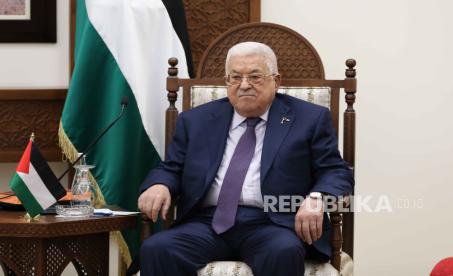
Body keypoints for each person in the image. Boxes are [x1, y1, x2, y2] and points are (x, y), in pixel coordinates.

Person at [138, 41, 354, 276]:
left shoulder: (309, 119)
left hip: (272, 224)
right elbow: (171, 168)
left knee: (282, 251)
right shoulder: (196, 121)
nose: (244, 85)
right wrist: (159, 184)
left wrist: (317, 198)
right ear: (226, 81)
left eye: (254, 76)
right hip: (206, 223)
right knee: (157, 248)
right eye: (235, 77)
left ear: (276, 81)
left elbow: (335, 171)